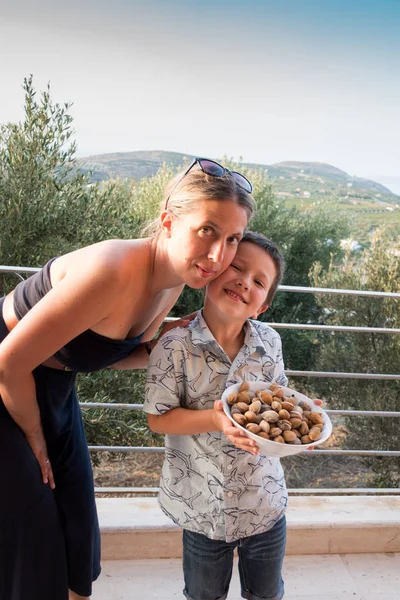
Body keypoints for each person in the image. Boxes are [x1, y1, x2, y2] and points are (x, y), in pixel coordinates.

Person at [0, 158, 255, 600]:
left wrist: (155, 348)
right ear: (168, 222)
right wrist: (34, 435)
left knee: (78, 522)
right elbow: (9, 363)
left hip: (50, 386)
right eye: (207, 231)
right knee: (34, 527)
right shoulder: (113, 270)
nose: (219, 257)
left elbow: (97, 353)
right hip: (7, 379)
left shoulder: (175, 280)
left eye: (232, 239)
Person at [144, 231, 320, 600]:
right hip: (201, 507)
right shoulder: (174, 345)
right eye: (237, 268)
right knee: (204, 594)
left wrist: (305, 418)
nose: (244, 281)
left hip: (263, 502)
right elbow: (158, 419)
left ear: (262, 307)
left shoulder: (269, 342)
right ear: (212, 272)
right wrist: (215, 420)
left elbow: (279, 398)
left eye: (259, 281)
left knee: (267, 593)